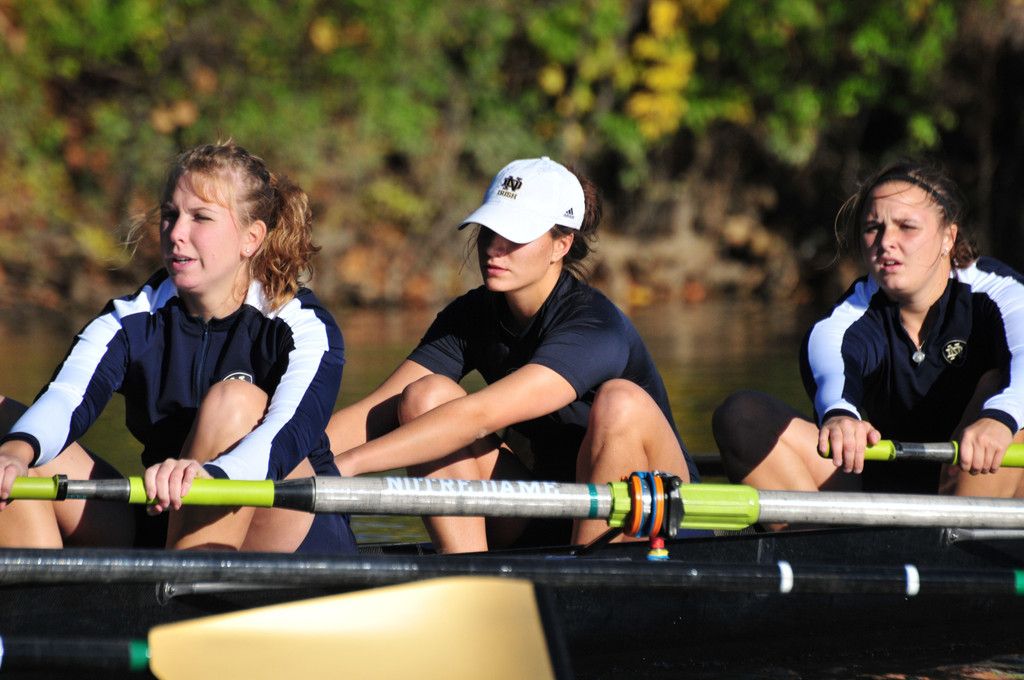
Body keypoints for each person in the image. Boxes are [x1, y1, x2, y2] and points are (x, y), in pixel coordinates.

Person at [327, 157, 701, 553]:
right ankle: (469, 576)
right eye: (490, 228)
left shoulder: (593, 325)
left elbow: (477, 419)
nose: (494, 247)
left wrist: (347, 467)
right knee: (426, 396)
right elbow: (373, 412)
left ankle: (591, 582)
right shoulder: (471, 314)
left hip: (659, 521)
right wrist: (287, 458)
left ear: (562, 244)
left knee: (619, 403)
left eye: (515, 234)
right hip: (545, 509)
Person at [0, 142, 357, 553]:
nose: (176, 233)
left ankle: (181, 598)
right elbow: (65, 398)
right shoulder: (131, 318)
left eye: (200, 218)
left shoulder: (301, 327)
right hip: (165, 514)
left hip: (288, 534)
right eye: (170, 215)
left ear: (251, 238)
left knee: (234, 402)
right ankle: (41, 603)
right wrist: (14, 452)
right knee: (8, 423)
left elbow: (286, 433)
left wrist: (214, 478)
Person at [713, 159, 1024, 503]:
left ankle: (963, 547)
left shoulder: (997, 292)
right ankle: (824, 551)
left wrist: (1000, 417)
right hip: (878, 483)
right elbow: (828, 363)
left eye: (907, 226)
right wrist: (840, 415)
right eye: (873, 227)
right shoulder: (854, 314)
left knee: (1002, 392)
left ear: (948, 237)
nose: (886, 241)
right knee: (740, 415)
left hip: (984, 474)